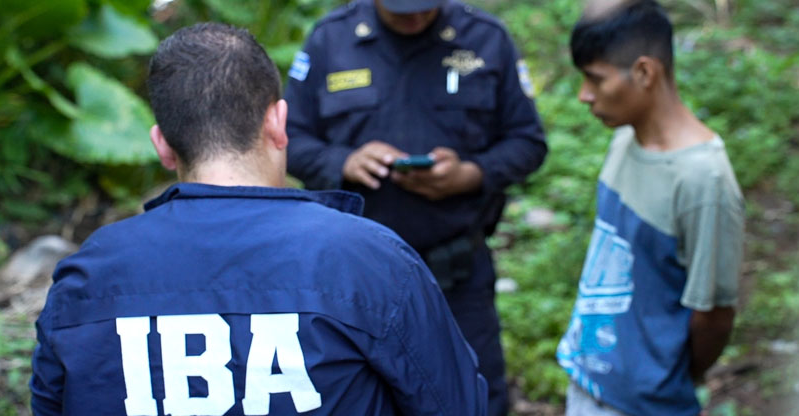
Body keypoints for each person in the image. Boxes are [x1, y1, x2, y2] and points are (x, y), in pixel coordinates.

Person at [29, 22, 487, 416]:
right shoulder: (369, 259)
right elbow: (457, 403)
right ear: (277, 123)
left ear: (162, 145)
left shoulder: (87, 275)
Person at [284, 1, 547, 414]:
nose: (415, 18)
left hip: (457, 275)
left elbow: (528, 141)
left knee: (475, 398)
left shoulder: (485, 39)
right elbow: (288, 139)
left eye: (426, 7)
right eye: (401, 8)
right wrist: (342, 162)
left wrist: (472, 174)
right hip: (353, 280)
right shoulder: (330, 40)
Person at [555, 1, 744, 415]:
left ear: (644, 72)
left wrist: (661, 378)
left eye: (595, 79)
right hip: (589, 379)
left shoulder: (702, 179)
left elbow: (713, 314)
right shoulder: (625, 139)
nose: (584, 96)